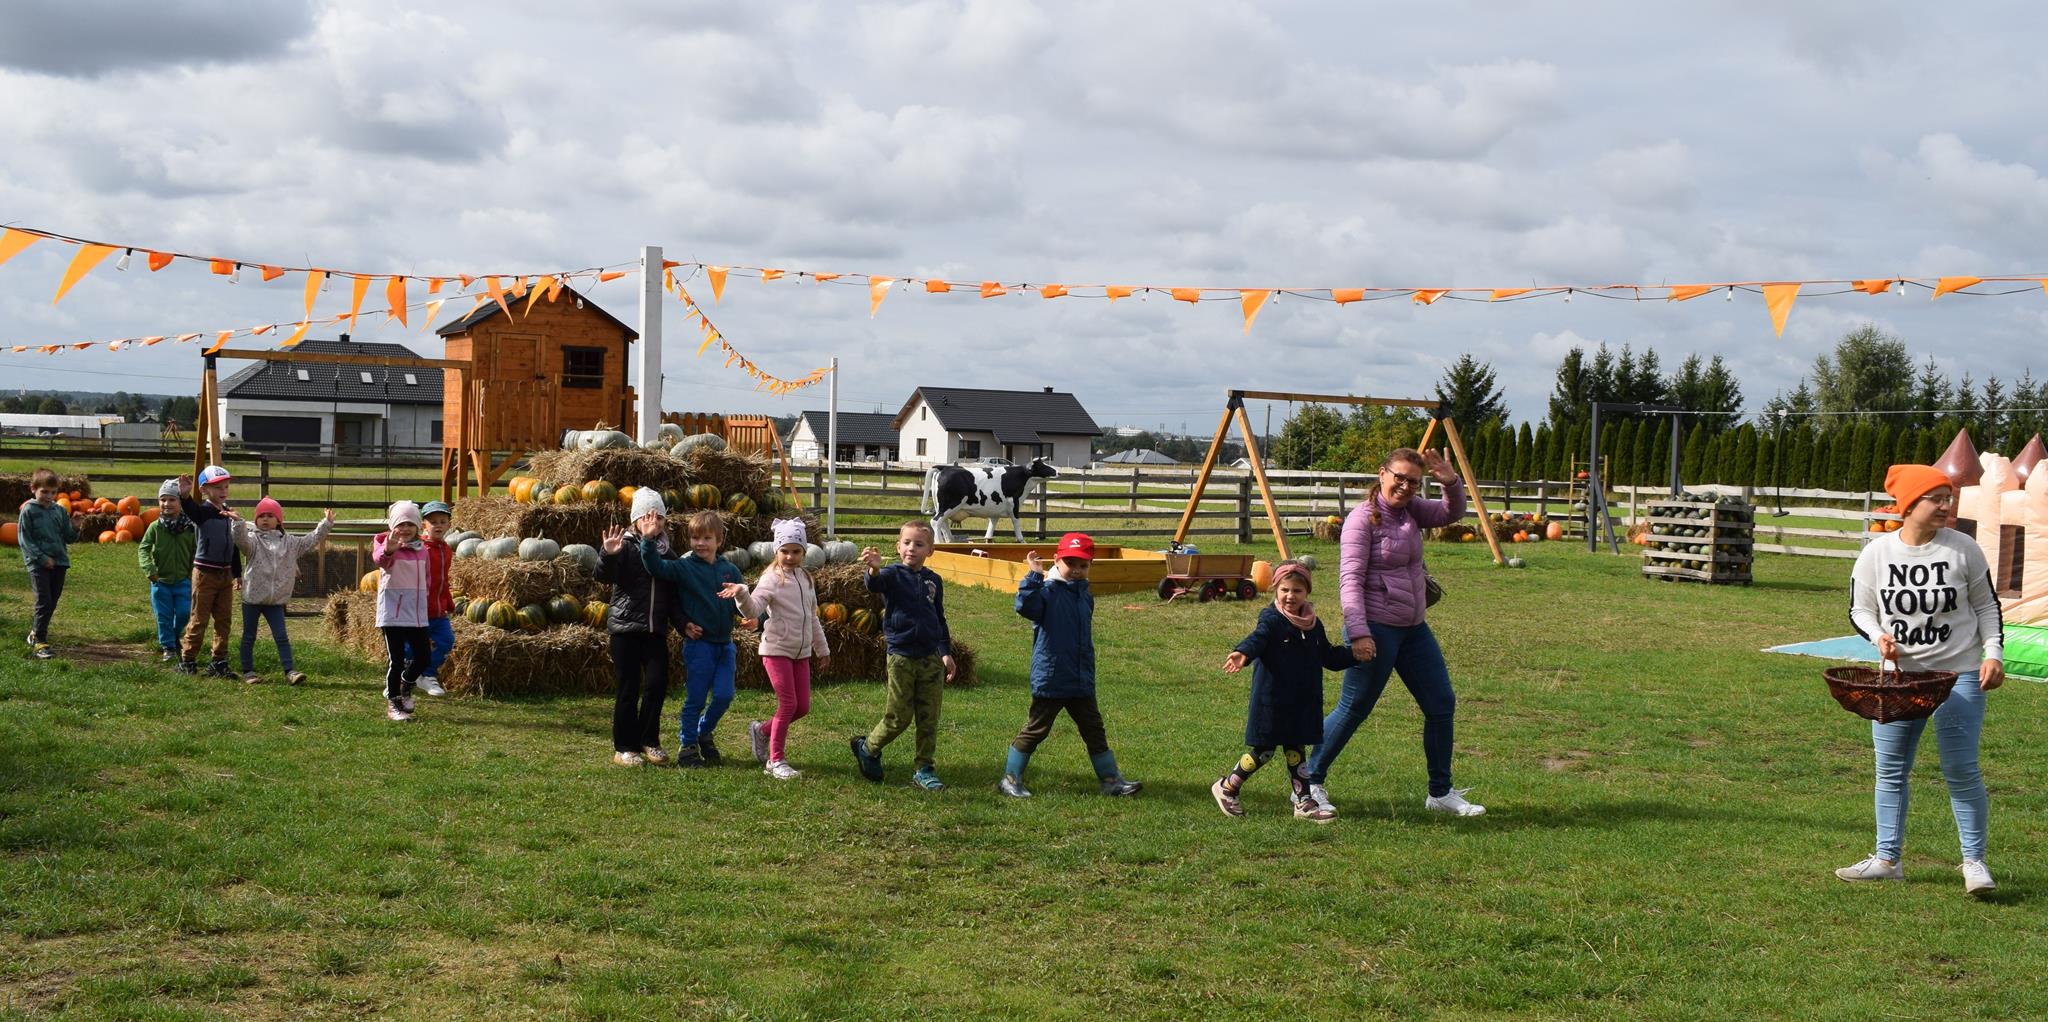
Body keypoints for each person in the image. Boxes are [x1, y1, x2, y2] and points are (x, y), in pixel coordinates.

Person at [1838, 464, 2005, 895]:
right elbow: (1860, 609)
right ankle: (1887, 860)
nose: (1947, 506)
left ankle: (1974, 863)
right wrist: (1878, 636)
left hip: (1957, 676)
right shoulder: (1877, 554)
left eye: (1949, 498)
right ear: (1910, 504)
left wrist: (1993, 653)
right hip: (1900, 680)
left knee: (1961, 768)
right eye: (1937, 498)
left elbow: (1987, 606)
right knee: (1891, 770)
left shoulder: (1964, 548)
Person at [1305, 447, 1482, 818]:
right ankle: (1308, 783)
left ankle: (1440, 793)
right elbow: (1350, 581)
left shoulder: (1411, 510)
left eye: (1413, 482)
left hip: (1413, 628)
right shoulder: (1360, 521)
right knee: (1354, 707)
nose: (1405, 486)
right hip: (1374, 628)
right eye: (1399, 477)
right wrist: (1359, 633)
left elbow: (1451, 513)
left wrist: (1450, 481)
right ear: (1382, 473)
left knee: (1441, 704)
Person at [997, 532, 1141, 798]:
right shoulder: (1046, 592)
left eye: (1082, 565)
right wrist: (1033, 576)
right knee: (1037, 730)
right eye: (1070, 563)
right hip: (1052, 677)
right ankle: (1010, 779)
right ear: (1056, 560)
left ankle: (1111, 780)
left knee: (1094, 730)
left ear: (1090, 566)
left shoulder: (1085, 596)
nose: (1076, 569)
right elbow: (1025, 606)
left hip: (1080, 679)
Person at [1213, 561, 1354, 823]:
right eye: (1285, 590)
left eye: (1297, 591)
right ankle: (1227, 786)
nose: (1290, 596)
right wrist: (1243, 652)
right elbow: (1259, 637)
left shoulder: (1313, 625)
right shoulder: (1272, 619)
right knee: (1264, 751)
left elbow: (1328, 657)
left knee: (1295, 751)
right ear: (1275, 590)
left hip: (1301, 700)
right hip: (1272, 700)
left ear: (1307, 592)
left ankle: (1303, 802)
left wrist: (1354, 655)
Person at [691, 518, 828, 780]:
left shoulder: (806, 579)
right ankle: (775, 761)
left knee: (802, 708)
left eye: (796, 551)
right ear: (776, 550)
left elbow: (812, 617)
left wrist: (822, 649)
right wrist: (742, 593)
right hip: (776, 650)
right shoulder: (771, 579)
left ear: (804, 552)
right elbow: (753, 609)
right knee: (788, 704)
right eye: (784, 551)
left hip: (800, 653)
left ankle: (762, 731)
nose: (790, 556)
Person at [849, 521, 957, 791]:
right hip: (901, 657)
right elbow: (874, 584)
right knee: (899, 717)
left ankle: (924, 769)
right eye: (907, 543)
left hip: (930, 658)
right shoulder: (892, 574)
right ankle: (868, 748)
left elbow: (939, 618)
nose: (912, 548)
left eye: (919, 544)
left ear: (930, 550)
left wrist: (945, 652)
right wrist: (874, 569)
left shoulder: (933, 580)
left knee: (929, 717)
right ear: (898, 547)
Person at [635, 509, 745, 768]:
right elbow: (656, 567)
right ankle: (688, 745)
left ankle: (703, 731)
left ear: (719, 540)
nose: (700, 543)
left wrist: (752, 618)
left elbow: (743, 602)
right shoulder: (685, 567)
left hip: (725, 645)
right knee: (695, 698)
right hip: (699, 645)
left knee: (724, 695)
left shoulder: (730, 570)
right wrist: (648, 540)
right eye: (695, 538)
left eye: (707, 538)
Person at [596, 490, 692, 766]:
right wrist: (607, 554)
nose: (654, 522)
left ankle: (649, 740)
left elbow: (672, 598)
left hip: (654, 631)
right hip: (625, 630)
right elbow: (602, 576)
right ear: (636, 520)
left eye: (659, 517)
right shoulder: (624, 547)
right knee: (628, 687)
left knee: (656, 685)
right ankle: (624, 747)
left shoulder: (667, 554)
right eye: (648, 517)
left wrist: (683, 623)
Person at [231, 497, 333, 684]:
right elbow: (240, 540)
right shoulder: (252, 542)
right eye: (261, 516)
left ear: (279, 520)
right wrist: (238, 523)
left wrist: (325, 524)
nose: (265, 519)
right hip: (252, 599)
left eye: (270, 515)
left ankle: (290, 671)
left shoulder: (290, 543)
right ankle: (248, 672)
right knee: (249, 636)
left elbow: (311, 540)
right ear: (256, 520)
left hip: (276, 601)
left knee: (281, 636)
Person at [177, 466, 243, 678]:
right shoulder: (203, 513)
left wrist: (237, 573)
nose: (223, 491)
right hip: (205, 574)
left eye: (226, 486)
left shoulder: (228, 513)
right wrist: (184, 496)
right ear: (204, 490)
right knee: (199, 619)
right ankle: (188, 660)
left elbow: (233, 545)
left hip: (225, 575)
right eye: (217, 487)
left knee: (224, 620)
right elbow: (191, 510)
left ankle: (219, 661)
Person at [373, 501, 434, 722]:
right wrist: (389, 550)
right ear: (393, 526)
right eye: (400, 524)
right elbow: (380, 560)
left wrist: (425, 600)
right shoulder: (387, 545)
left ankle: (405, 685)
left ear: (417, 526)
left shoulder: (422, 550)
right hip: (393, 614)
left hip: (416, 614)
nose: (405, 529)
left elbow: (427, 578)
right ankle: (394, 703)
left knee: (424, 657)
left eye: (410, 524)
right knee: (396, 661)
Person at [16, 468, 83, 660]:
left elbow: (68, 538)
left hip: (59, 562)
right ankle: (40, 641)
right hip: (38, 564)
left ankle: (35, 632)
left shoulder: (59, 511)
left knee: (52, 601)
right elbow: (25, 540)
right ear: (33, 489)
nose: (48, 496)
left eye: (53, 492)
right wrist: (42, 558)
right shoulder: (29, 510)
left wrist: (75, 527)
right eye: (44, 491)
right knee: (44, 600)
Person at [138, 478, 196, 664]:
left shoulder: (190, 528)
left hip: (183, 580)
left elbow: (196, 551)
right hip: (160, 581)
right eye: (163, 500)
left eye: (172, 499)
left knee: (184, 613)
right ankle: (168, 647)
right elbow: (144, 548)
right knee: (163, 616)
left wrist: (192, 572)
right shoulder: (155, 527)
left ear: (180, 502)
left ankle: (174, 634)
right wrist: (149, 568)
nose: (167, 504)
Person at [417, 501, 456, 697]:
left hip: (438, 609)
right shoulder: (419, 549)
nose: (438, 525)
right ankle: (408, 673)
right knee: (412, 646)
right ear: (423, 524)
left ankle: (428, 674)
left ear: (449, 524)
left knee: (446, 640)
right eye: (433, 522)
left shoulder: (446, 550)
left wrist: (448, 601)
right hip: (418, 609)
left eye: (442, 521)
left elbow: (443, 579)